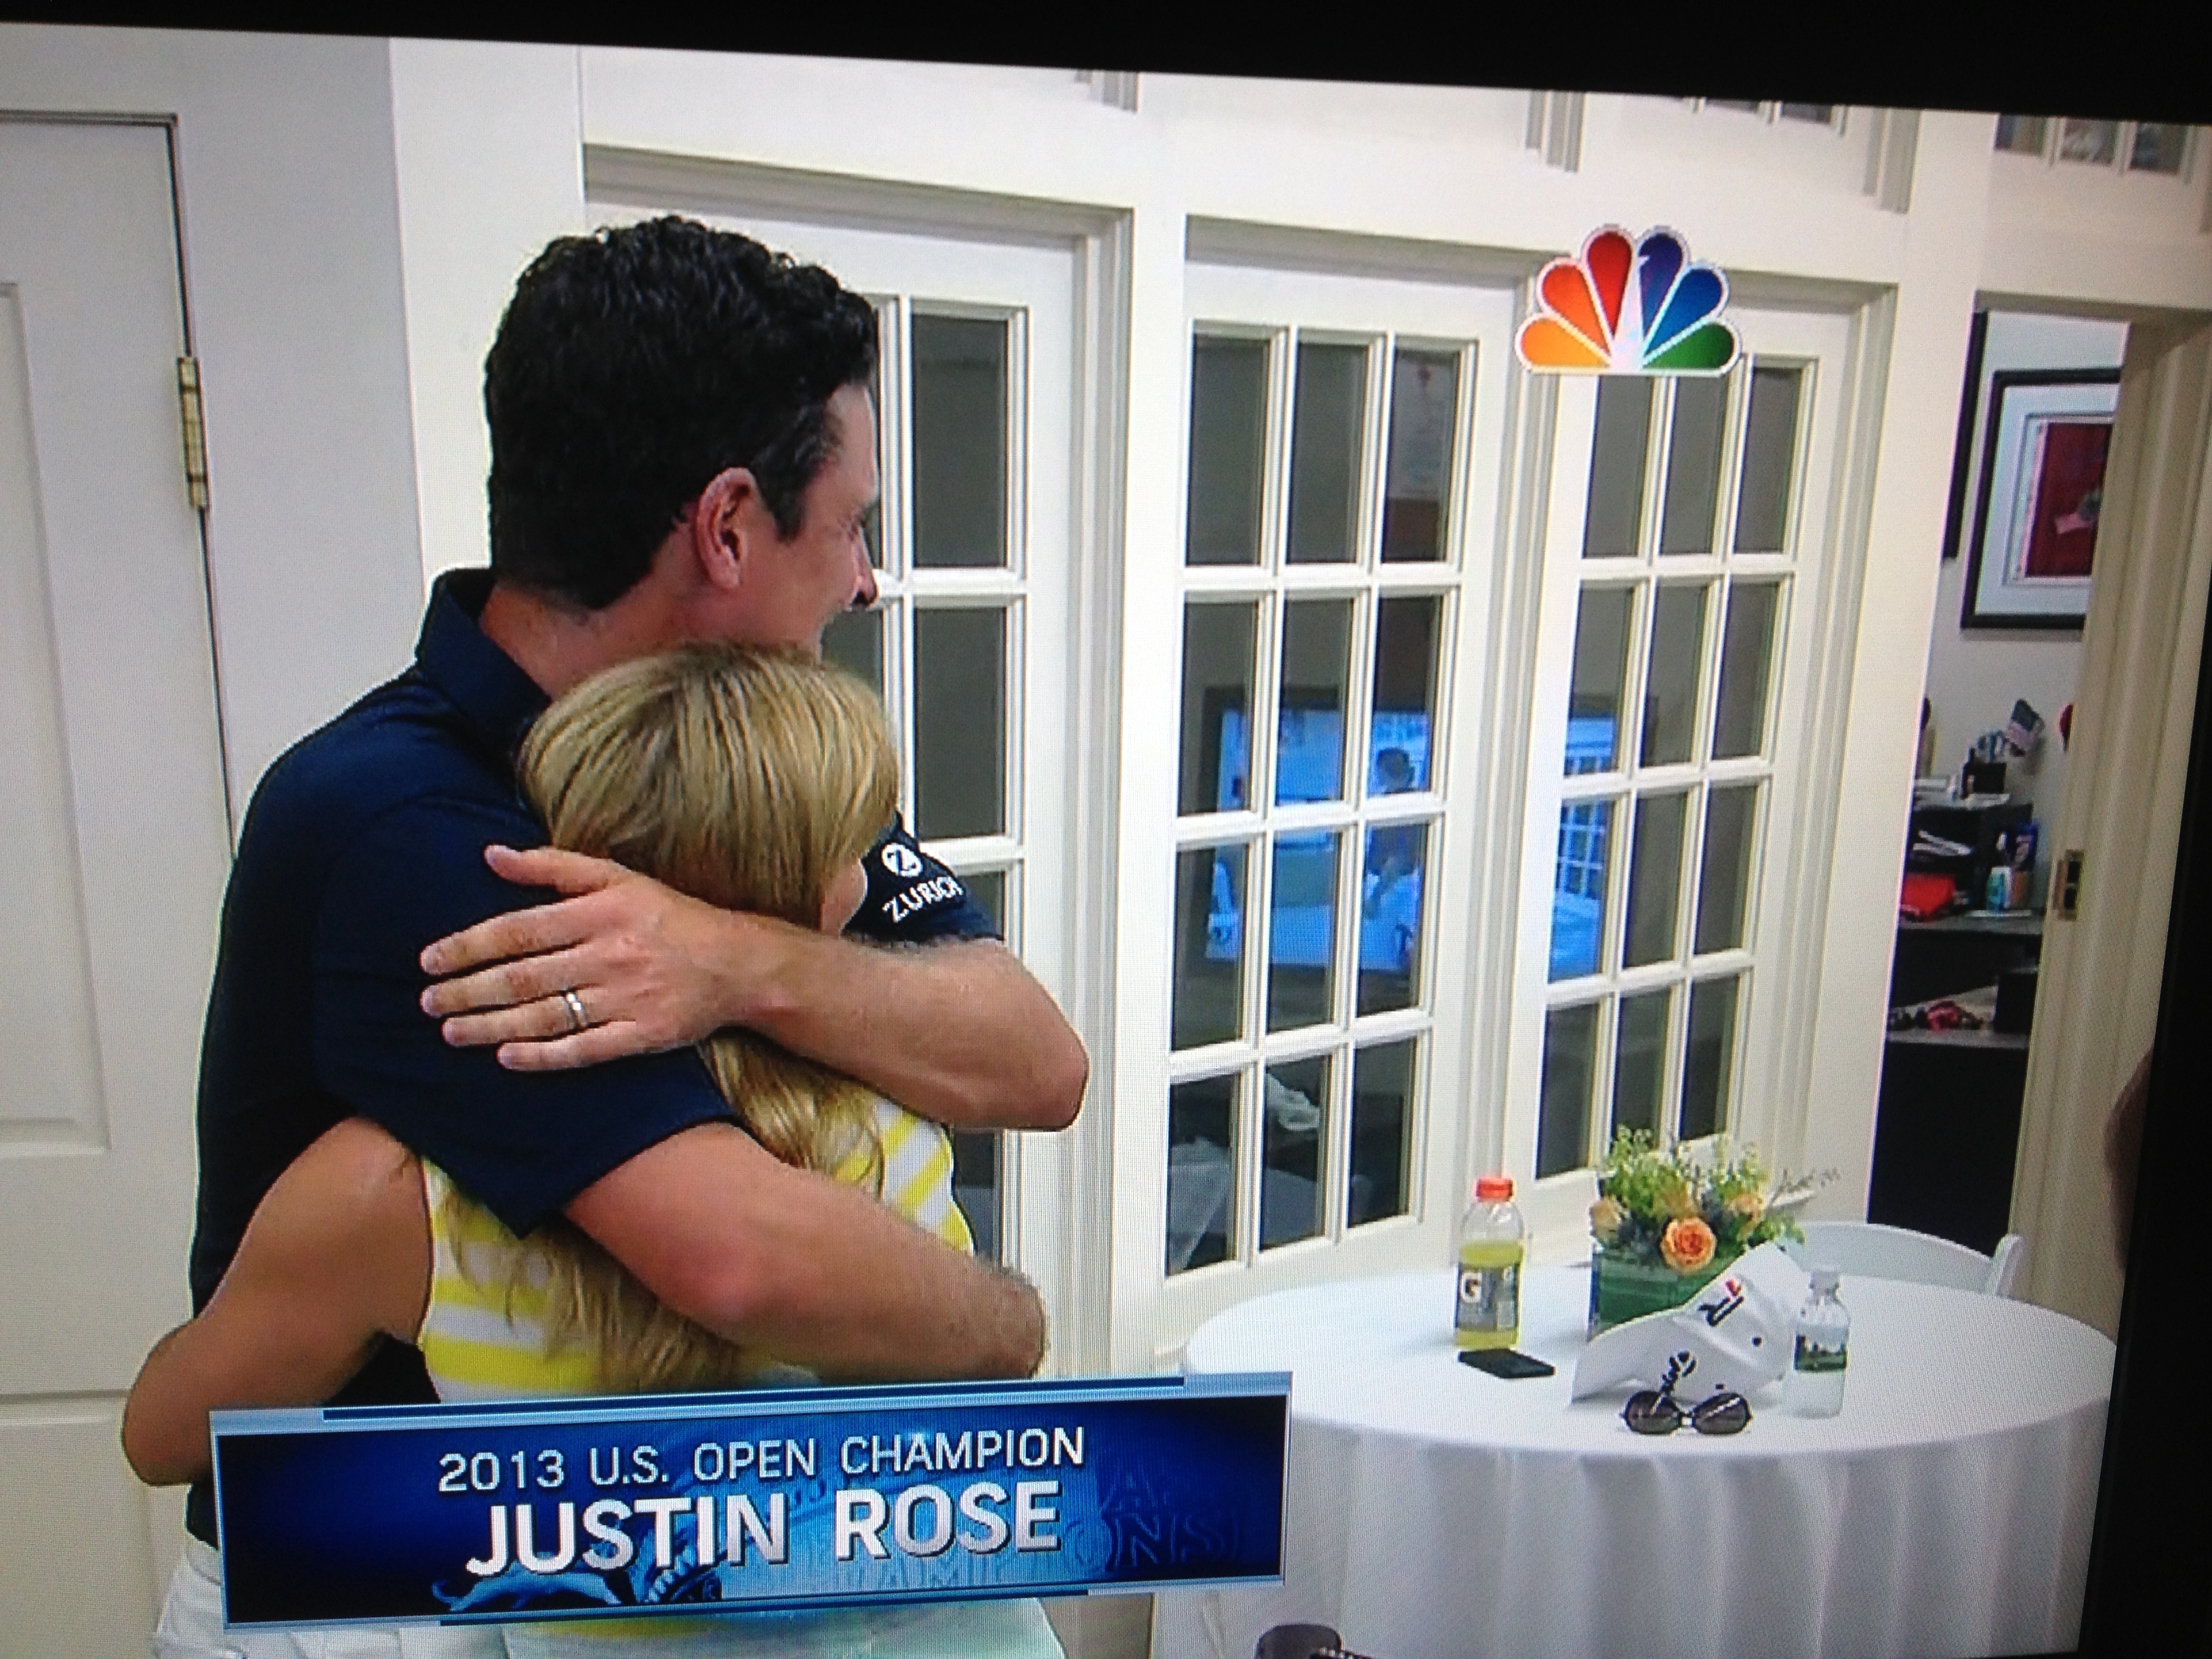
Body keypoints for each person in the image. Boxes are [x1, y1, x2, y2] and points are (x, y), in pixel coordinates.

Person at [161, 218, 1084, 1645]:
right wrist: (1013, 1329)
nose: (864, 581)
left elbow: (1035, 1062)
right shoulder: (404, 822)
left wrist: (738, 959)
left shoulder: (738, 765)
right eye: (851, 525)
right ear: (727, 525)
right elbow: (740, 1255)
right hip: (381, 1571)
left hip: (637, 1561)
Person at [127, 645, 1062, 1657]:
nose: (868, 879)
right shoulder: (896, 1127)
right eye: (854, 852)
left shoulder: (398, 1199)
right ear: (810, 895)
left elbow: (165, 1435)